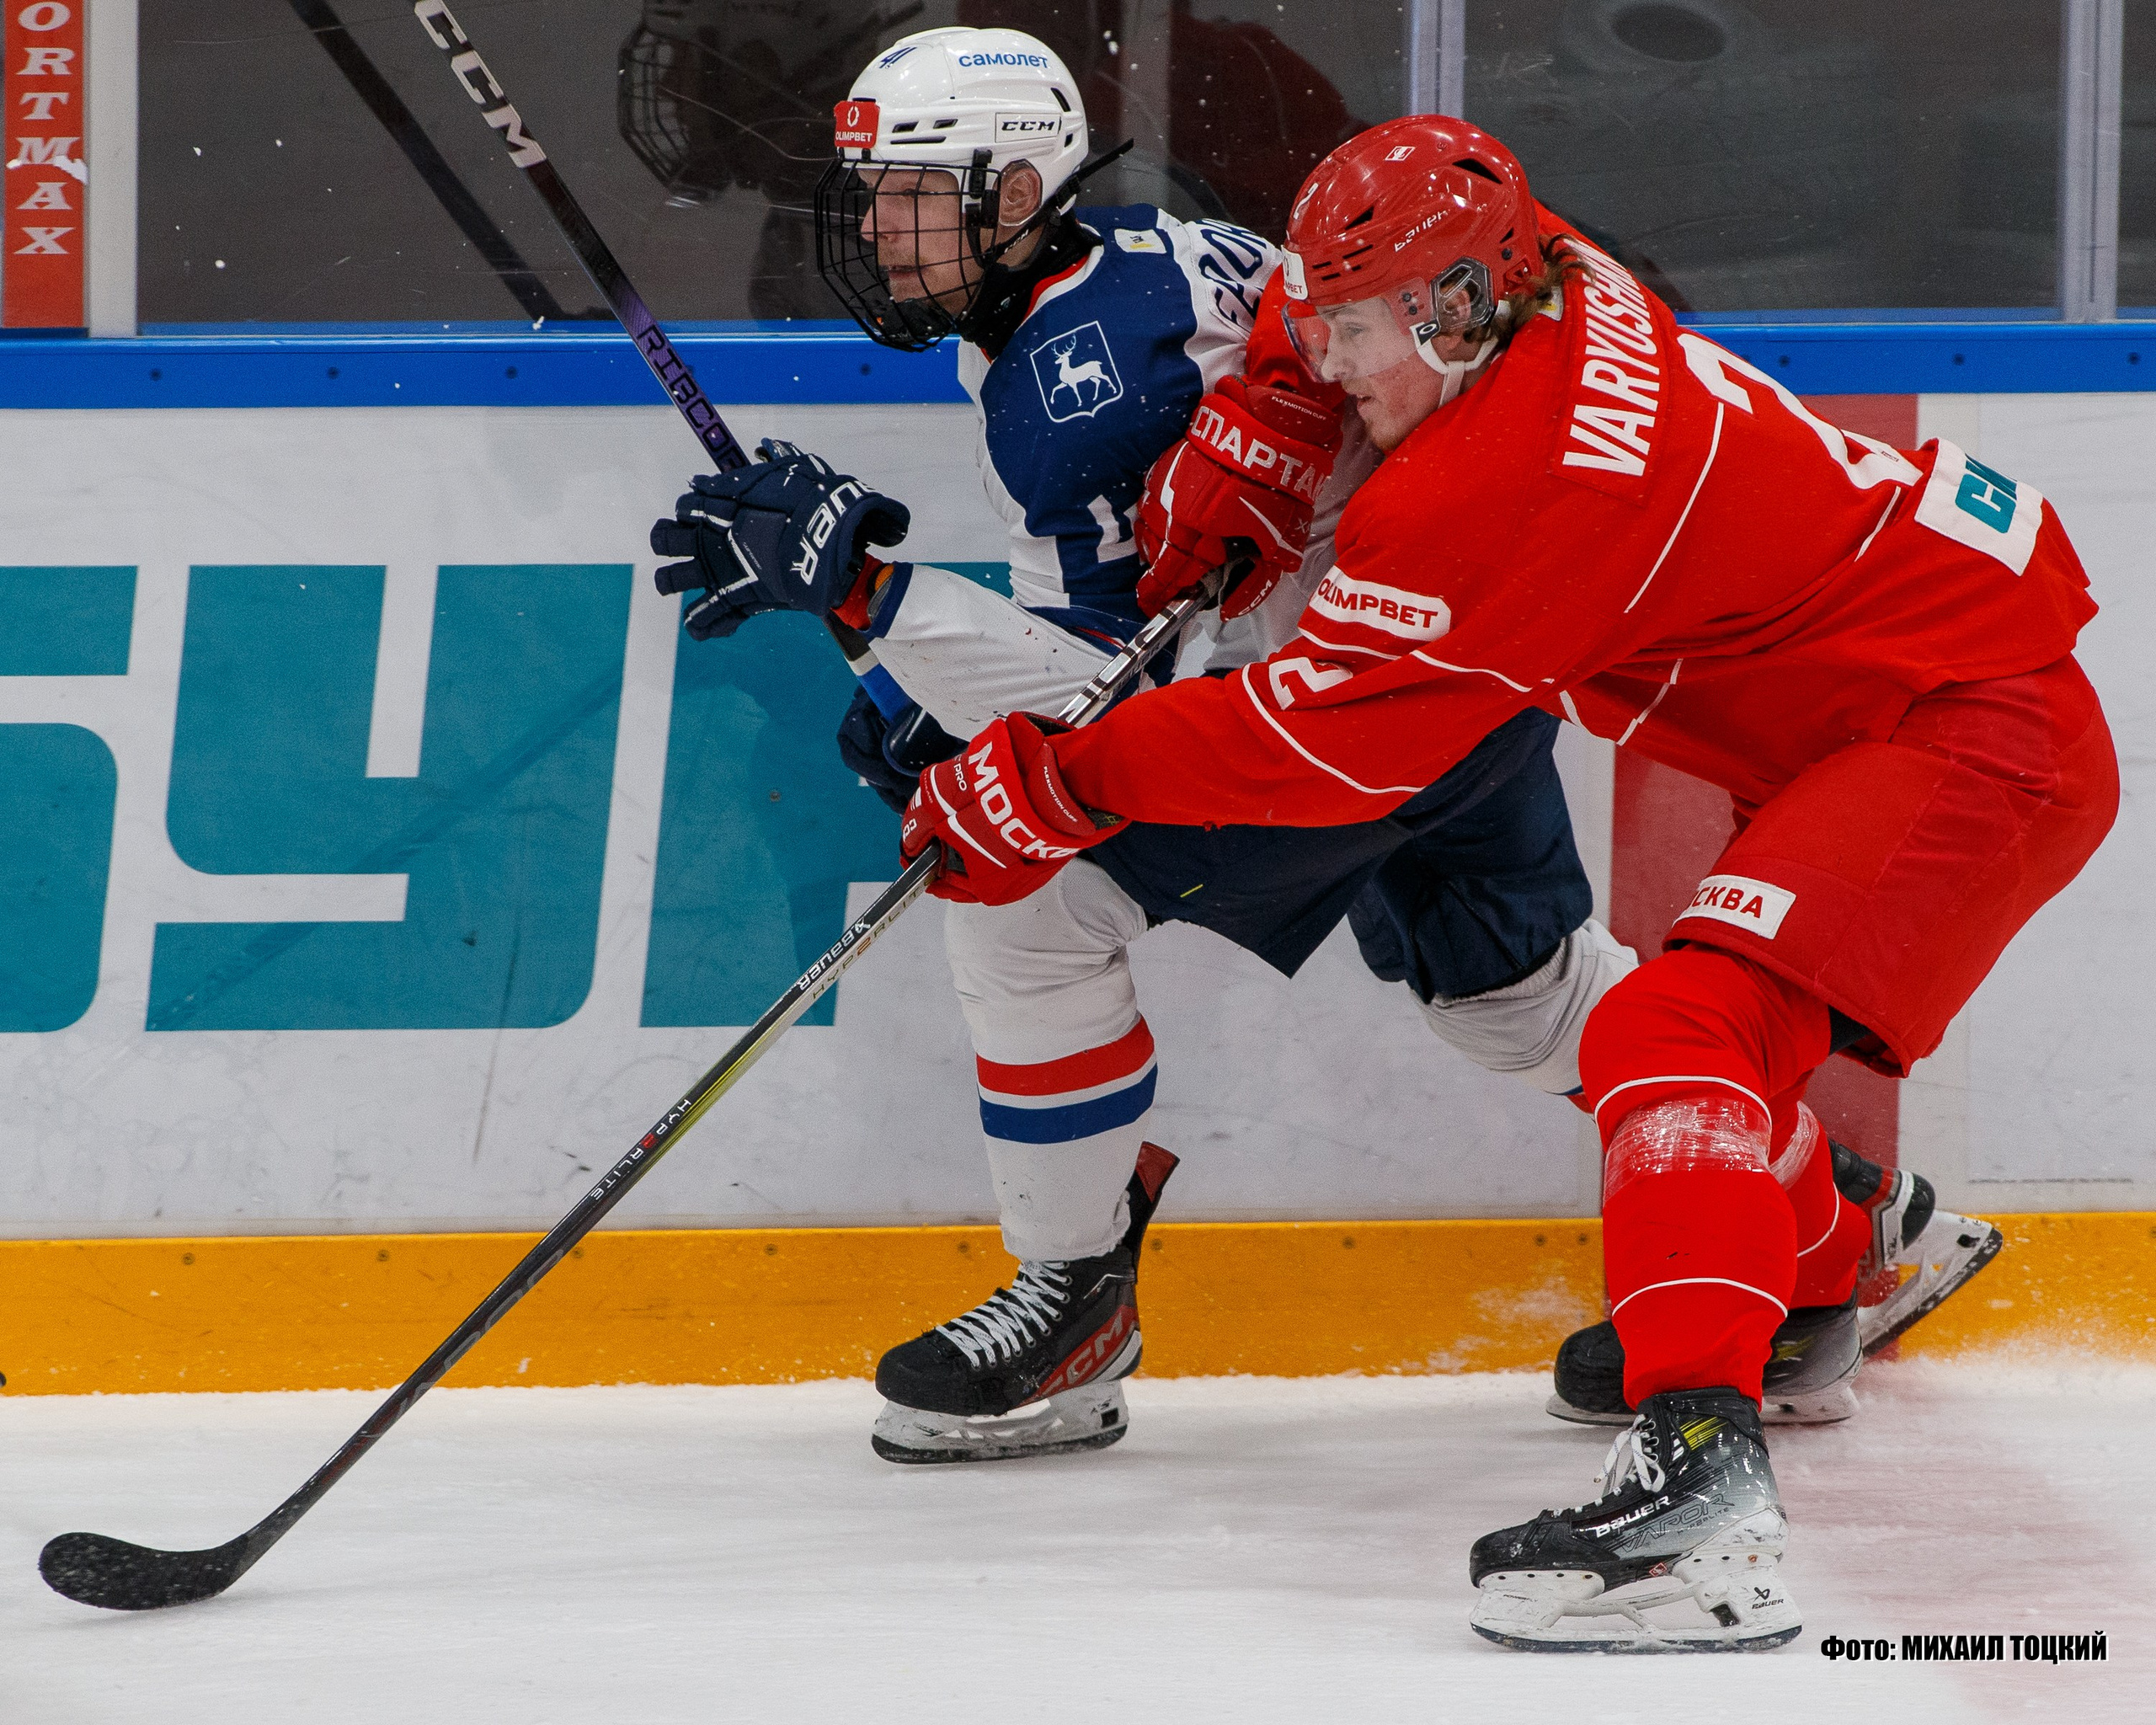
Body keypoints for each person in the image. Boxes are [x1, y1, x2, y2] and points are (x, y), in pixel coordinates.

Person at [899, 114, 2114, 1646]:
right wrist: (1270, 420)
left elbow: (1314, 749)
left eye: (1355, 339)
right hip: (1874, 686)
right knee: (1668, 1041)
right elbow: (1294, 299)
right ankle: (1816, 1287)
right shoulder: (1535, 265)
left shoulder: (1509, 487)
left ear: (1459, 313)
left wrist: (1059, 780)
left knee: (1668, 1036)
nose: (1335, 364)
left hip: (1963, 726)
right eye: (1331, 331)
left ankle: (1697, 1508)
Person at [648, 29, 1631, 1466]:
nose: (877, 232)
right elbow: (1113, 649)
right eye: (870, 195)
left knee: (1014, 886)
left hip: (1322, 718)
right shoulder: (1153, 258)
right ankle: (1843, 1222)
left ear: (1021, 185)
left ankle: (1073, 1300)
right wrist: (912, 678)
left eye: (917, 195)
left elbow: (1107, 708)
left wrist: (864, 595)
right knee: (1519, 1002)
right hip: (1444, 676)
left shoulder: (1071, 389)